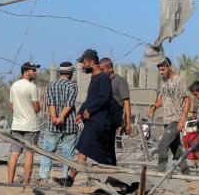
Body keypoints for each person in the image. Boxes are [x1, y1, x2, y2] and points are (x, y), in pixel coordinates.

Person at [55, 49, 118, 187]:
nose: (83, 66)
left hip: (100, 123)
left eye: (84, 63)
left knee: (96, 154)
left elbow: (104, 98)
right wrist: (81, 111)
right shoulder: (94, 78)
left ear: (91, 62)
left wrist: (90, 110)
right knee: (85, 150)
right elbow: (89, 99)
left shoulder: (104, 78)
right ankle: (70, 179)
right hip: (93, 122)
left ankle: (112, 180)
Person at [147, 57, 190, 174]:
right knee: (176, 150)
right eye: (159, 70)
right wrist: (154, 107)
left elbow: (187, 100)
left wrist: (183, 119)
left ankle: (160, 173)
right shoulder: (163, 82)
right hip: (167, 120)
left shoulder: (179, 80)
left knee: (162, 146)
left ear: (169, 66)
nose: (161, 72)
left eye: (163, 69)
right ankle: (187, 174)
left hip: (175, 120)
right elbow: (162, 98)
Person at [38, 61, 78, 182]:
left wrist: (55, 117)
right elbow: (69, 104)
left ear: (60, 72)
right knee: (68, 154)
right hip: (69, 125)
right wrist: (62, 117)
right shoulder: (73, 86)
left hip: (52, 125)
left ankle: (43, 177)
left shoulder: (51, 85)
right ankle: (65, 178)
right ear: (70, 73)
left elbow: (50, 103)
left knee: (48, 152)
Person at [7, 62, 41, 186]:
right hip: (31, 125)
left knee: (14, 154)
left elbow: (11, 106)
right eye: (33, 70)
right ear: (26, 72)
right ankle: (26, 182)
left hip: (16, 125)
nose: (35, 73)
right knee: (29, 155)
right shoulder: (32, 86)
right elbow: (36, 108)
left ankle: (9, 182)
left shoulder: (13, 86)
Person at [100, 58, 132, 140]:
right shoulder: (103, 81)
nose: (101, 72)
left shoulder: (119, 81)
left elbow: (126, 102)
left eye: (102, 70)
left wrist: (128, 123)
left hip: (114, 121)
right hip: (103, 120)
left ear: (110, 69)